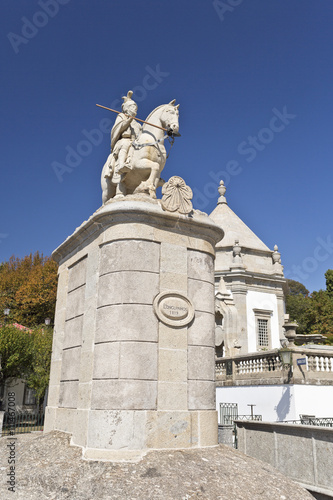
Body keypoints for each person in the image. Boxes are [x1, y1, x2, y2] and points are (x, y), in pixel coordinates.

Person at [110, 90, 141, 175]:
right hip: (124, 140)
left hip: (136, 142)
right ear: (127, 108)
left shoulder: (137, 123)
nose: (135, 109)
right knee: (126, 144)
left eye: (135, 108)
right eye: (132, 107)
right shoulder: (121, 116)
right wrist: (129, 119)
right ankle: (121, 165)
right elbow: (119, 127)